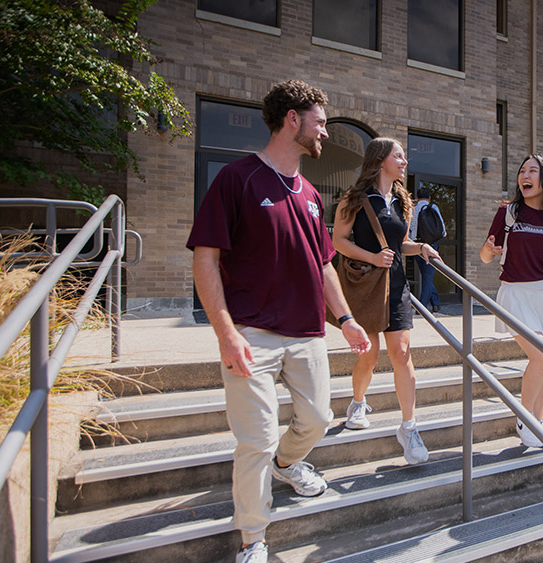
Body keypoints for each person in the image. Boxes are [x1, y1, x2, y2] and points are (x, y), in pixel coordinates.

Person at [187, 80, 371, 563]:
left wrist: (346, 318)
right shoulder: (237, 179)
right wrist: (225, 333)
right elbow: (205, 259)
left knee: (317, 419)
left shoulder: (310, 193)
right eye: (321, 123)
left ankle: (286, 464)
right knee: (256, 439)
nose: (325, 134)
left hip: (307, 331)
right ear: (293, 119)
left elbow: (324, 263)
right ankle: (253, 538)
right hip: (251, 332)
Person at [332, 137, 441, 465]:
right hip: (368, 286)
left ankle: (408, 427)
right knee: (369, 355)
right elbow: (338, 241)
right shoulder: (354, 199)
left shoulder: (403, 200)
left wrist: (420, 248)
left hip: (397, 287)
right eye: (399, 156)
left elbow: (401, 243)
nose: (405, 161)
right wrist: (372, 256)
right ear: (381, 160)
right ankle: (357, 402)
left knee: (402, 352)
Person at [480, 154, 543, 447]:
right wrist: (488, 249)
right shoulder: (508, 214)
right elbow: (485, 258)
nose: (525, 175)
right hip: (515, 293)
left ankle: (538, 422)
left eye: (532, 171)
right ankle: (525, 417)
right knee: (541, 355)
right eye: (522, 170)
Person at [408, 186, 447, 312]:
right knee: (427, 276)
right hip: (430, 246)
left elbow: (408, 230)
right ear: (429, 198)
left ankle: (435, 303)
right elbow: (442, 229)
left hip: (415, 246)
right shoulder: (433, 208)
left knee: (426, 275)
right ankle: (422, 307)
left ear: (417, 198)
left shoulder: (412, 209)